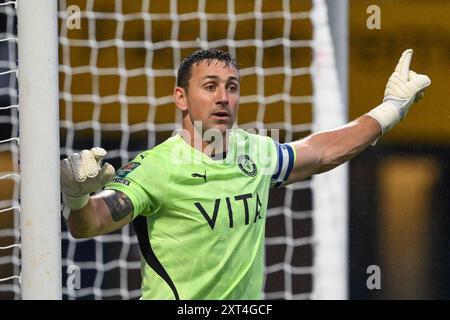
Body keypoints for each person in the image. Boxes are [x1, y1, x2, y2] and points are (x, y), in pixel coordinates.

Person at [60, 48, 430, 299]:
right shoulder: (157, 167)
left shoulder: (255, 151)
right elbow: (89, 223)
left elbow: (322, 152)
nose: (223, 97)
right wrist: (77, 195)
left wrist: (390, 110)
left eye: (232, 88)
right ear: (181, 98)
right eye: (210, 87)